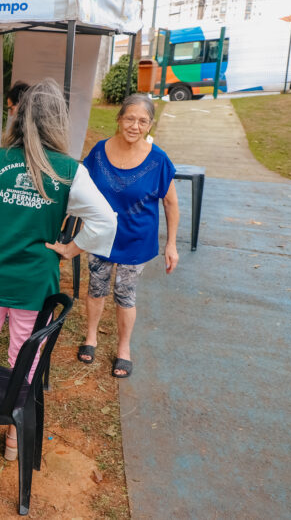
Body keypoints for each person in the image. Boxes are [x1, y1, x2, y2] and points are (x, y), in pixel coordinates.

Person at [0, 79, 118, 459]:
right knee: (24, 350)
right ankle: (12, 435)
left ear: (18, 117)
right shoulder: (69, 170)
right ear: (59, 121)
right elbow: (106, 220)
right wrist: (71, 249)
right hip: (34, 278)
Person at [78, 94, 179, 379]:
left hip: (137, 239)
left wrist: (171, 244)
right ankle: (91, 337)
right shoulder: (98, 152)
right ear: (119, 119)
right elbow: (81, 189)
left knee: (125, 293)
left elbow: (170, 203)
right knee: (96, 288)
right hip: (100, 236)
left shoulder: (158, 160)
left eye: (143, 121)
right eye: (130, 118)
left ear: (150, 125)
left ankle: (124, 349)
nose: (135, 126)